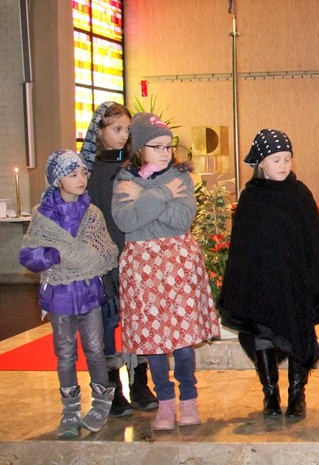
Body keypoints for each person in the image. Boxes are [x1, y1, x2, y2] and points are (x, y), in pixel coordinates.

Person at [218, 129, 319, 419]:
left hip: (294, 282)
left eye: (287, 159)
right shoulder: (251, 197)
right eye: (276, 160)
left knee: (298, 333)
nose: (283, 165)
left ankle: (297, 394)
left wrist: (318, 281)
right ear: (261, 162)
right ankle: (270, 393)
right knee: (262, 333)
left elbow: (314, 241)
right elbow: (242, 248)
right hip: (262, 283)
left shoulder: (300, 194)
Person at [112, 113, 219, 430]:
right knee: (153, 340)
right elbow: (126, 221)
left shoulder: (180, 177)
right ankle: (165, 402)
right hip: (141, 267)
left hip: (177, 264)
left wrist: (144, 200)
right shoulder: (124, 180)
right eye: (156, 147)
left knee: (182, 340)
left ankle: (189, 399)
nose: (164, 153)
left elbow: (182, 220)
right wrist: (162, 194)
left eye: (168, 147)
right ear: (139, 148)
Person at [20, 150, 119, 439]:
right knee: (64, 352)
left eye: (83, 173)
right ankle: (70, 409)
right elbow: (29, 255)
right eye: (73, 174)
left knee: (95, 348)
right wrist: (56, 254)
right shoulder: (43, 215)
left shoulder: (92, 214)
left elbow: (106, 251)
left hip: (89, 291)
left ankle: (100, 402)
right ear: (57, 179)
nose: (81, 179)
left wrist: (83, 258)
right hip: (59, 294)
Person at [80, 102, 158, 416]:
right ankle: (111, 389)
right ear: (99, 132)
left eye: (127, 129)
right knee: (107, 325)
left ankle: (140, 384)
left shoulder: (134, 169)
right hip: (103, 262)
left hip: (134, 257)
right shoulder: (88, 173)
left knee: (138, 323)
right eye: (116, 129)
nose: (124, 135)